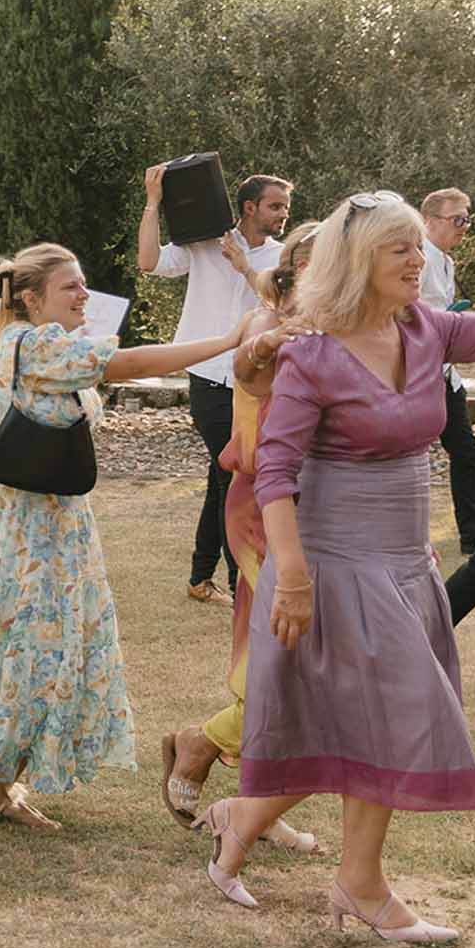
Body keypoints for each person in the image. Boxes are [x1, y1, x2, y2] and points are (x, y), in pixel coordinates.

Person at [194, 191, 475, 942]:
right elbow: (278, 471)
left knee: (365, 716)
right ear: (360, 263)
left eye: (419, 247)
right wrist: (291, 575)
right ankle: (360, 885)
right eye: (400, 250)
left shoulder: (427, 330)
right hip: (332, 553)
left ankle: (308, 855)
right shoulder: (311, 354)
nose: (418, 261)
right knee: (392, 707)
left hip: (404, 553)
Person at [0, 244, 251, 829]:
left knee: (16, 641)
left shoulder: (36, 343)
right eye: (72, 288)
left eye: (84, 286)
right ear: (33, 300)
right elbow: (131, 364)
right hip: (26, 528)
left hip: (50, 520)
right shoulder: (36, 344)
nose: (85, 295)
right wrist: (226, 341)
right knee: (22, 643)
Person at [161, 223, 322, 850]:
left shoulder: (326, 323)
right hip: (262, 507)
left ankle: (257, 795)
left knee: (298, 654)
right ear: (300, 269)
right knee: (285, 653)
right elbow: (251, 367)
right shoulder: (269, 326)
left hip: (316, 511)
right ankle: (203, 743)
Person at [139, 167, 293, 604]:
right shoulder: (204, 243)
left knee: (220, 472)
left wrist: (245, 268)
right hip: (208, 374)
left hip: (254, 377)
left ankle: (199, 577)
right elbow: (149, 263)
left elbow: (282, 304)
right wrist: (153, 203)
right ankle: (240, 585)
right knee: (234, 474)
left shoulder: (283, 256)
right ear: (249, 208)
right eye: (275, 206)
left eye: (285, 207)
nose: (283, 214)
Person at [419, 189, 475, 555]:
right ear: (430, 220)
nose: (465, 227)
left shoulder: (446, 261)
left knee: (466, 452)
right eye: (458, 219)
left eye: (468, 218)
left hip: (444, 374)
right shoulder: (416, 257)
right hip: (419, 376)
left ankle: (472, 536)